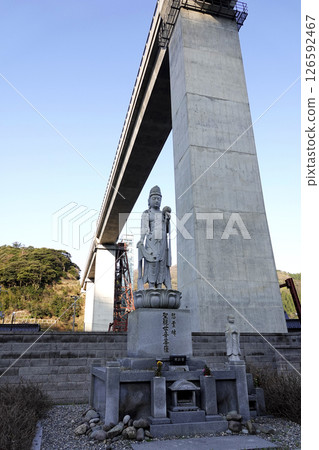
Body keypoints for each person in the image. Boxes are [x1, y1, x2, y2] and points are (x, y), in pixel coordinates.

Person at [137, 186, 172, 290]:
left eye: (158, 199)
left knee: (162, 264)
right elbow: (144, 229)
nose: (156, 201)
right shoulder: (147, 213)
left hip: (162, 242)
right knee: (152, 263)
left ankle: (160, 285)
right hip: (152, 241)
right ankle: (152, 285)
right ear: (149, 200)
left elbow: (166, 230)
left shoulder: (162, 214)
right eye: (154, 198)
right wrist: (141, 241)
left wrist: (167, 220)